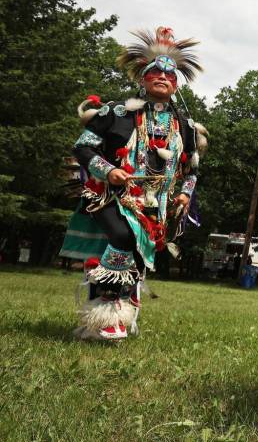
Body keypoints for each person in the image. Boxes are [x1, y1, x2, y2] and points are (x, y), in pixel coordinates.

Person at [59, 27, 206, 340]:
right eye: (155, 72)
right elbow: (82, 146)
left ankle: (123, 313)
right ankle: (106, 313)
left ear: (176, 84)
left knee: (136, 258)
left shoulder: (185, 126)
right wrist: (108, 170)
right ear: (143, 79)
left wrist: (184, 196)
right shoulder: (116, 112)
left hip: (155, 206)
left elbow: (192, 169)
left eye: (169, 74)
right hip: (110, 195)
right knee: (123, 237)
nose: (162, 77)